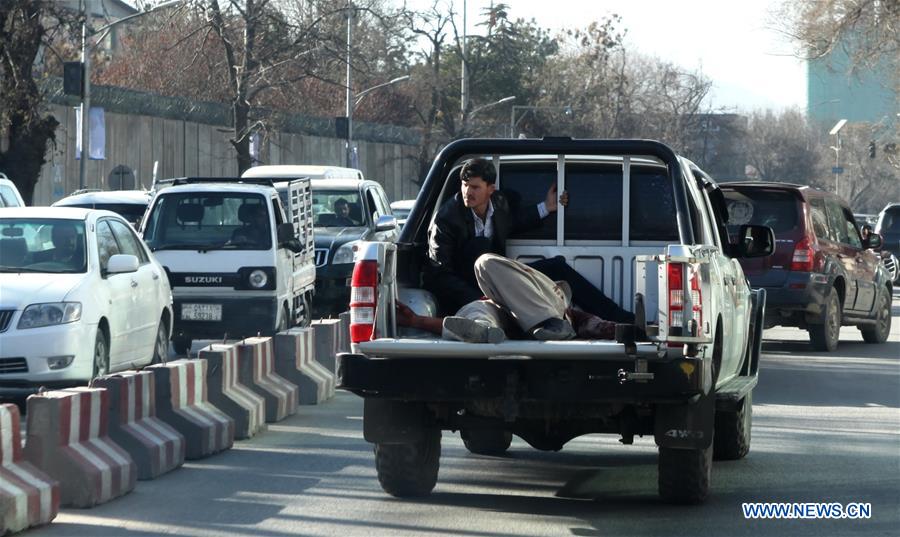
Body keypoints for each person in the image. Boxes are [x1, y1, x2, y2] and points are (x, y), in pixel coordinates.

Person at [425, 157, 634, 324]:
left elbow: (514, 221)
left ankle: (621, 319)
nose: (467, 192)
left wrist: (546, 207)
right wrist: (479, 298)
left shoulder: (499, 204)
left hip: (502, 281)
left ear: (491, 188)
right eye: (464, 185)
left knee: (556, 267)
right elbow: (439, 273)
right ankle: (552, 325)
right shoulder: (446, 219)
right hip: (471, 291)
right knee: (479, 250)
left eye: (475, 187)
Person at [400, 253, 618, 342]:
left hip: (544, 307)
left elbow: (586, 321)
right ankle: (482, 330)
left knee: (484, 262)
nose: (468, 191)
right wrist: (415, 320)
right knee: (476, 312)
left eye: (475, 186)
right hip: (506, 314)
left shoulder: (554, 293)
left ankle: (549, 322)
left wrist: (616, 327)